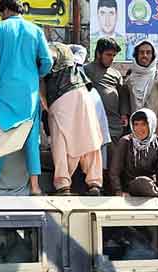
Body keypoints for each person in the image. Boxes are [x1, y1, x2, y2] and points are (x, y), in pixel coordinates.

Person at [0, 0, 53, 196]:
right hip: (29, 94)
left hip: (4, 92)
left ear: (4, 10)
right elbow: (48, 61)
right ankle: (35, 186)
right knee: (31, 139)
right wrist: (33, 73)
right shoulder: (36, 30)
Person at [41, 42, 104, 196]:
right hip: (82, 93)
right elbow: (81, 49)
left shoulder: (46, 50)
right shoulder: (71, 53)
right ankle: (94, 183)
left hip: (59, 98)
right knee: (89, 136)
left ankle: (63, 185)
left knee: (61, 140)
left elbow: (48, 60)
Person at [85, 38, 129, 194]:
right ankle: (96, 187)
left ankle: (114, 189)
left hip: (115, 124)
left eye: (113, 56)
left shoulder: (116, 74)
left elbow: (123, 95)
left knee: (115, 159)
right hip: (95, 123)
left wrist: (124, 114)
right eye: (108, 54)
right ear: (98, 53)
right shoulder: (87, 70)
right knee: (97, 157)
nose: (111, 58)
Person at [109, 108, 158, 205]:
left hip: (154, 184)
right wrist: (118, 191)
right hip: (133, 184)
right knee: (143, 182)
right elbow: (114, 171)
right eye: (136, 124)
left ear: (151, 125)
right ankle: (157, 196)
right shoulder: (125, 141)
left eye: (143, 124)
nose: (139, 129)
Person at [125, 40, 158, 135]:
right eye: (141, 52)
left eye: (148, 52)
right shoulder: (129, 80)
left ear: (153, 55)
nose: (145, 55)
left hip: (154, 129)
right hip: (135, 129)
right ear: (136, 55)